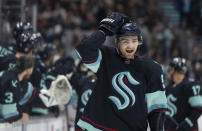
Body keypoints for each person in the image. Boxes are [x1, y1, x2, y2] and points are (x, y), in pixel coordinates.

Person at [75, 12, 167, 131]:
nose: (130, 46)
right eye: (125, 41)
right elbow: (84, 49)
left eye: (134, 40)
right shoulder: (106, 57)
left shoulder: (151, 68)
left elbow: (157, 108)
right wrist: (103, 31)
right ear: (117, 42)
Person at [165, 57, 202, 131]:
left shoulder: (191, 85)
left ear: (177, 70)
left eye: (171, 69)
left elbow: (198, 108)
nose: (169, 71)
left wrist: (186, 124)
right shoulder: (168, 87)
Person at [0, 56, 35, 123]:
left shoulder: (7, 75)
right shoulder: (12, 82)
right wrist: (20, 116)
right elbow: (7, 114)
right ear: (29, 69)